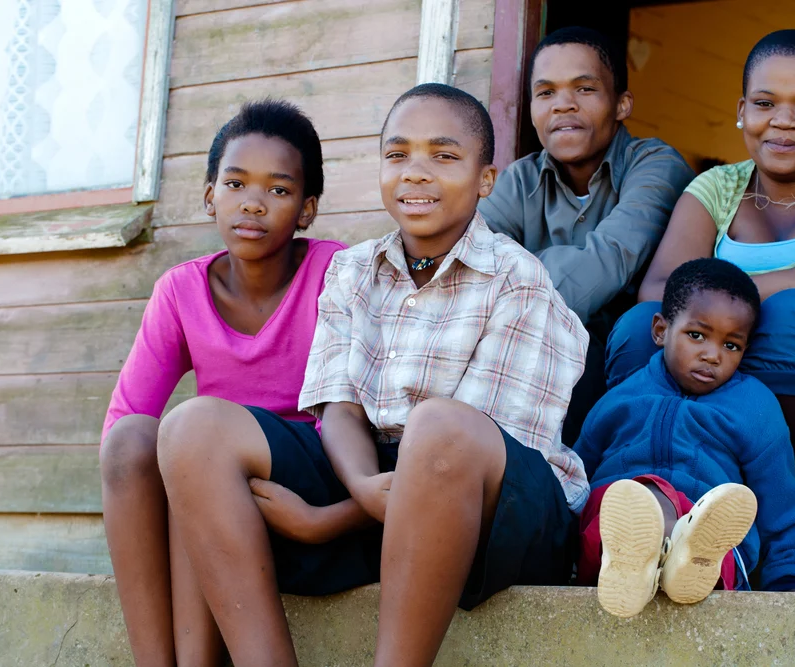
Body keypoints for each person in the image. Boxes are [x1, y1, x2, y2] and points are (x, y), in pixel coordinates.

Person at [151, 84, 588, 667]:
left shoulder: (517, 279)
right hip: (381, 495)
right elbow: (341, 405)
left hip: (500, 512)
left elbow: (470, 452)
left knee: (437, 426)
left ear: (486, 180)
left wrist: (323, 520)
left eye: (444, 155)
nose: (416, 172)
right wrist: (357, 484)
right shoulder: (354, 269)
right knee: (192, 428)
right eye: (397, 154)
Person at [606, 30, 795, 592]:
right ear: (743, 112)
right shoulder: (714, 190)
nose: (784, 121)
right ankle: (646, 518)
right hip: (730, 431)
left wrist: (771, 312)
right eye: (766, 103)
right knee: (635, 331)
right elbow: (656, 297)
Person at [99, 100, 347, 665]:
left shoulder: (337, 273)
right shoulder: (180, 292)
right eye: (235, 183)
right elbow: (125, 422)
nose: (253, 203)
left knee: (194, 440)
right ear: (210, 194)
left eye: (279, 190)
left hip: (305, 476)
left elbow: (368, 416)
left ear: (307, 209)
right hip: (209, 475)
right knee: (130, 441)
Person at [477, 26, 694, 444]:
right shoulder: (519, 180)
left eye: (585, 88)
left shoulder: (655, 166)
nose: (563, 105)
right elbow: (467, 259)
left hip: (630, 362)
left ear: (621, 104)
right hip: (532, 359)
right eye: (546, 93)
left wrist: (505, 290)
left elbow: (607, 260)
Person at [575, 258, 795, 618]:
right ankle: (648, 557)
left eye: (731, 346)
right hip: (612, 533)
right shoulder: (622, 398)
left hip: (713, 546)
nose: (712, 355)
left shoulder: (754, 407)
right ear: (660, 330)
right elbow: (577, 476)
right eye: (697, 335)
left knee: (709, 516)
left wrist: (790, 578)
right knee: (626, 499)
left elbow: (781, 499)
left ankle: (684, 559)